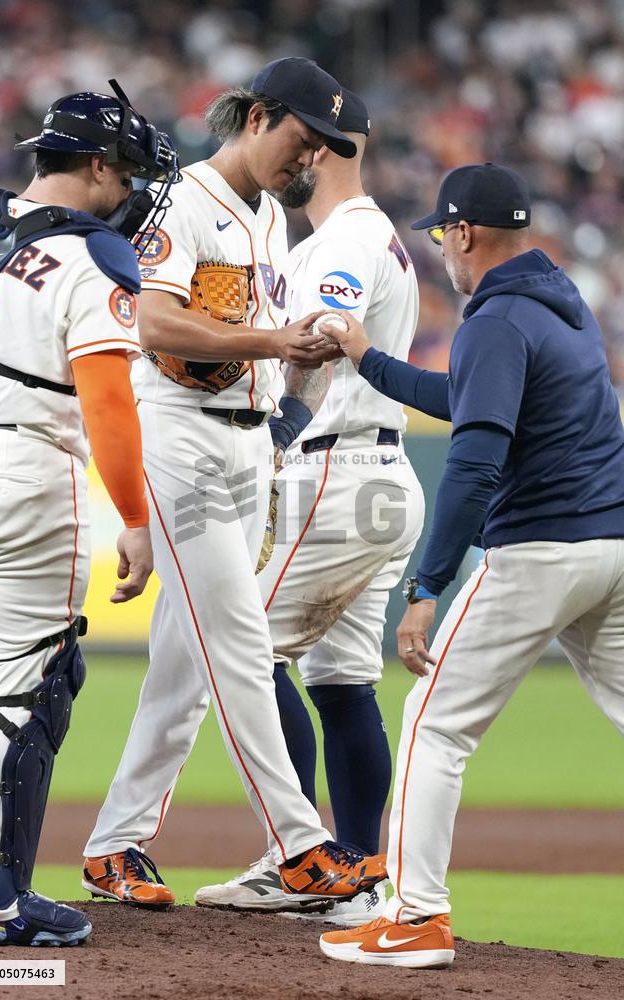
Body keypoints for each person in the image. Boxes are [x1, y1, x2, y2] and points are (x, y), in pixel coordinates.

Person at [82, 58, 387, 911]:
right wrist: (272, 345)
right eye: (301, 140)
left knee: (185, 662)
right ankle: (300, 844)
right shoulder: (183, 201)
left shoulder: (265, 215)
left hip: (248, 442)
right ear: (256, 118)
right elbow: (150, 319)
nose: (310, 160)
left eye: (325, 148)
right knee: (240, 641)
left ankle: (114, 847)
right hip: (180, 435)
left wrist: (282, 411)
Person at [316, 161, 624, 967]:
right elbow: (466, 396)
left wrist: (426, 586)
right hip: (612, 548)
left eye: (443, 234)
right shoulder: (563, 306)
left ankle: (416, 918)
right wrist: (368, 360)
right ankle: (413, 914)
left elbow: (477, 460)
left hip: (540, 550)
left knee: (433, 723)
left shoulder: (494, 320)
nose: (442, 250)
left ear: (463, 232)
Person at [195, 89, 424, 926]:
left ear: (321, 150)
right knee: (343, 680)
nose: (292, 163)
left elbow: (327, 330)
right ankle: (358, 878)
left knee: (243, 656)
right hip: (382, 475)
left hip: (338, 469)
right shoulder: (379, 236)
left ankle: (296, 858)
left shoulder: (348, 238)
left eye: (302, 148)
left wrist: (278, 426)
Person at [0, 84, 176, 946]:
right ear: (94, 166)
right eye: (122, 175)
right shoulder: (93, 258)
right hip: (21, 468)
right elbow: (109, 406)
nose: (128, 192)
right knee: (27, 687)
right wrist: (134, 516)